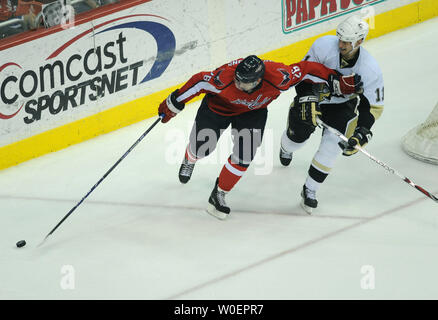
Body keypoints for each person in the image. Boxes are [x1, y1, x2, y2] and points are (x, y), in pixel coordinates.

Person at [158, 55, 363, 220]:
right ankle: (190, 158)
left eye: (243, 82)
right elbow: (198, 81)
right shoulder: (222, 78)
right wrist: (173, 104)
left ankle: (219, 193)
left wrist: (336, 81)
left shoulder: (279, 77)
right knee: (202, 148)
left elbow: (307, 69)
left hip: (252, 112)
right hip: (217, 109)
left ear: (258, 80)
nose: (238, 84)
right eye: (237, 79)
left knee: (244, 155)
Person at [279, 15, 384, 214]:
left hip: (342, 106)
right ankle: (286, 148)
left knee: (332, 147)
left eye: (347, 41)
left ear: (360, 41)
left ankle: (310, 189)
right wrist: (306, 98)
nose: (341, 44)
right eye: (340, 39)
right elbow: (302, 75)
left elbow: (373, 107)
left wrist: (362, 130)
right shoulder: (323, 46)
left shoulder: (370, 69)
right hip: (314, 97)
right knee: (296, 139)